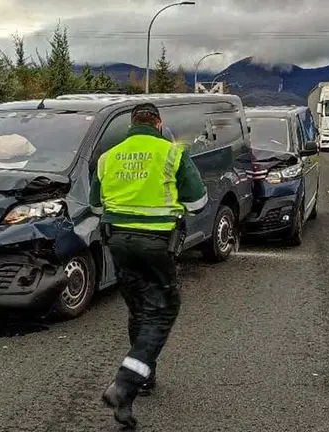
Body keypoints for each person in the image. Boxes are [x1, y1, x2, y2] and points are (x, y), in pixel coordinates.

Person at [89, 103, 208, 428]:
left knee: (139, 307)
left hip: (117, 241)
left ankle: (145, 378)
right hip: (156, 242)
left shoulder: (107, 157)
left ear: (131, 125)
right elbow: (198, 203)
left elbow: (95, 205)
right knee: (164, 309)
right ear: (158, 124)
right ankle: (126, 381)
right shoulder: (172, 153)